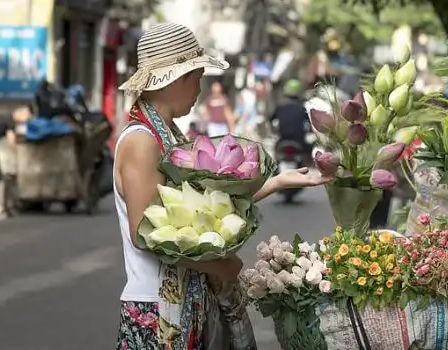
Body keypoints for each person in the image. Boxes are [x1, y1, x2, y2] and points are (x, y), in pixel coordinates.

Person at [113, 23, 332, 350]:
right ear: (177, 78)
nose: (200, 88)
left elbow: (209, 211)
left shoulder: (170, 136)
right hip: (158, 310)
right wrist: (219, 265)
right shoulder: (142, 141)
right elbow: (145, 234)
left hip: (188, 303)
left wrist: (277, 182)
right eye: (198, 76)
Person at [268, 79, 310, 150]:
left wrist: (273, 131)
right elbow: (308, 122)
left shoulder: (280, 105)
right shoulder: (301, 107)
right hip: (299, 139)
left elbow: (270, 120)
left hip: (283, 137)